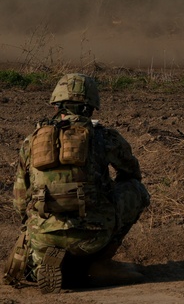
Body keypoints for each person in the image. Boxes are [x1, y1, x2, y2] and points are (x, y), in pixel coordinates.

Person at [3, 73, 150, 292]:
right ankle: (100, 263)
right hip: (94, 236)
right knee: (137, 191)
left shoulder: (31, 141)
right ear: (91, 107)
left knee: (39, 234)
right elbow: (132, 174)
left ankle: (42, 260)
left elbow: (20, 203)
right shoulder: (105, 138)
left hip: (43, 235)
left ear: (56, 107)